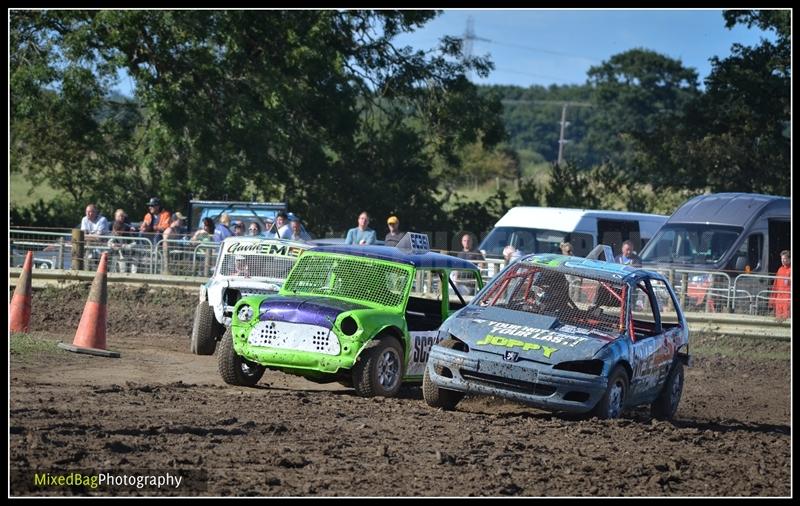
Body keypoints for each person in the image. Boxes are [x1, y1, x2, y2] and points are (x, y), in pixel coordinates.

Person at [768, 250, 791, 320]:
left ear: (789, 259)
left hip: (787, 299)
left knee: (787, 319)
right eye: (781, 258)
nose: (782, 260)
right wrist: (772, 300)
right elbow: (775, 285)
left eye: (784, 258)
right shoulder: (780, 270)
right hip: (779, 299)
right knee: (778, 319)